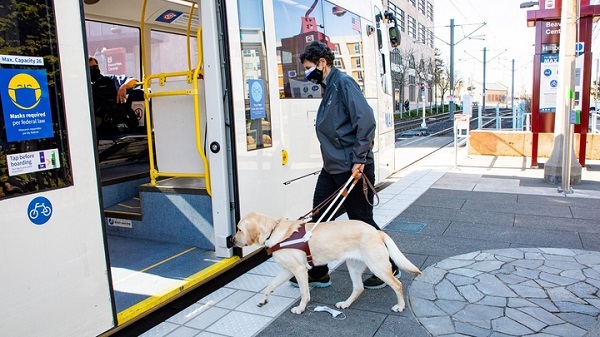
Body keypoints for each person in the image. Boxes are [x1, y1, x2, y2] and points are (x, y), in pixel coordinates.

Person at [289, 41, 398, 290]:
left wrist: (359, 159)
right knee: (319, 217)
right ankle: (318, 271)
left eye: (308, 68)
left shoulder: (343, 84)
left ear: (322, 63)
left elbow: (366, 121)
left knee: (362, 220)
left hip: (352, 168)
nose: (307, 73)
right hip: (333, 167)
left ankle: (389, 266)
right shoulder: (329, 87)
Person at [88, 56, 140, 134]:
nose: (93, 69)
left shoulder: (110, 80)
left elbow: (134, 81)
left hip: (112, 120)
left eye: (95, 67)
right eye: (90, 68)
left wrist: (124, 86)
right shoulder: (83, 86)